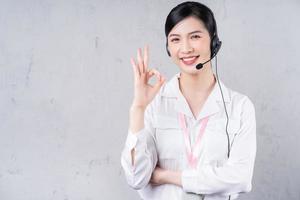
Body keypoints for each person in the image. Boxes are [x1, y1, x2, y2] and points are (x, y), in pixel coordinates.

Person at [121, 1, 256, 200]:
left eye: (195, 37)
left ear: (213, 42)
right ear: (168, 47)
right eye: (175, 39)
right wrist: (138, 108)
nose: (185, 48)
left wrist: (168, 176)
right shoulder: (154, 104)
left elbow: (240, 178)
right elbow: (136, 178)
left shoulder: (240, 107)